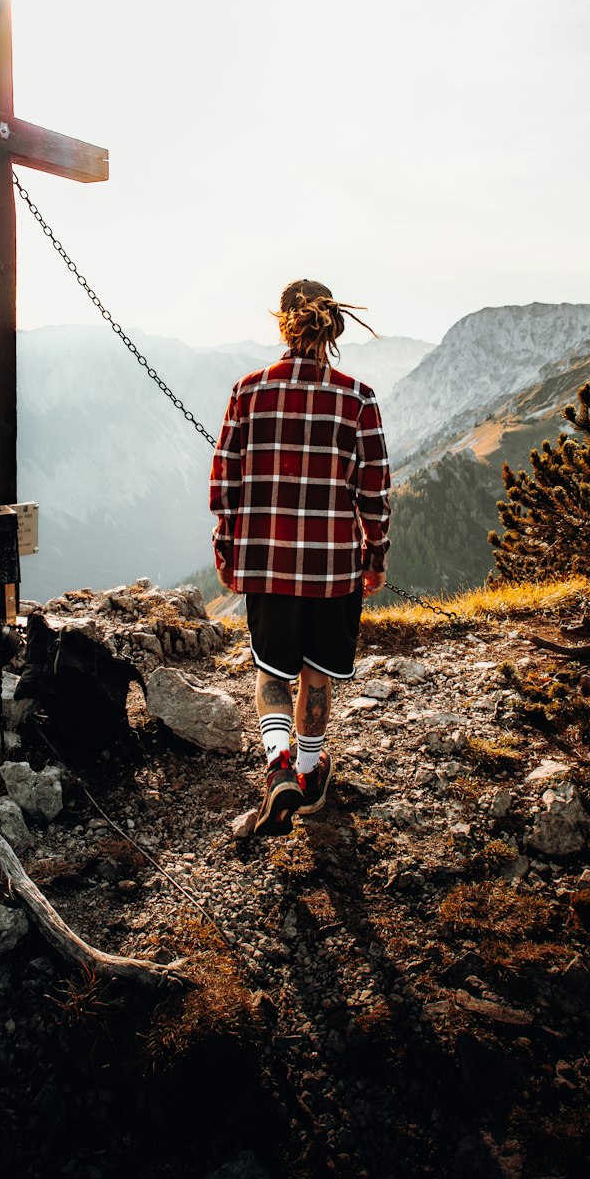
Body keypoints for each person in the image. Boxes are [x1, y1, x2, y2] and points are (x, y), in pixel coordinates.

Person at [210, 279, 392, 835]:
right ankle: (309, 774)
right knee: (317, 673)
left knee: (270, 671)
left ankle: (276, 767)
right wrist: (375, 554)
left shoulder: (249, 390)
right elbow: (375, 491)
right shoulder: (358, 398)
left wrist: (227, 545)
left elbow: (225, 481)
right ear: (334, 328)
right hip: (334, 567)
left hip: (267, 562)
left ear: (282, 324)